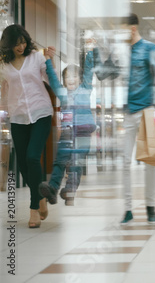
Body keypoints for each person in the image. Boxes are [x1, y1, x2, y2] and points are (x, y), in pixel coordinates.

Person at [0, 24, 54, 228]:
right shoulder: (3, 65)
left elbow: (50, 78)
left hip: (41, 113)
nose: (21, 47)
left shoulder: (36, 57)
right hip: (18, 117)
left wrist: (50, 62)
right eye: (16, 44)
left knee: (33, 157)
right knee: (23, 163)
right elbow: (4, 91)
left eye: (23, 42)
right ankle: (40, 196)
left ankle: (33, 209)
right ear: (8, 45)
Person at [120, 13, 155, 225]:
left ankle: (151, 206)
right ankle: (128, 209)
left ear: (132, 29)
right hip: (128, 113)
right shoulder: (121, 53)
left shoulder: (150, 49)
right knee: (124, 161)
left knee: (150, 161)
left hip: (147, 112)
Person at [38, 49, 96, 206]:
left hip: (83, 133)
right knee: (60, 162)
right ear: (64, 80)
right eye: (67, 76)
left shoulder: (85, 89)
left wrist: (90, 52)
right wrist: (48, 60)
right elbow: (53, 79)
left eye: (75, 76)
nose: (71, 79)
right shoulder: (62, 93)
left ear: (80, 78)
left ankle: (70, 190)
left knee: (76, 163)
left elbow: (89, 72)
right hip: (67, 133)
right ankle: (52, 189)